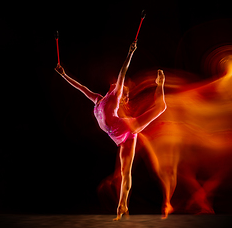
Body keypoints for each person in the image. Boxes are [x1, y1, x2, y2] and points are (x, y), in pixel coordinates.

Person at [55, 41, 167, 220]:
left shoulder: (115, 96)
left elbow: (122, 72)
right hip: (120, 137)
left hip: (128, 127)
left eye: (121, 87)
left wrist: (130, 53)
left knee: (161, 107)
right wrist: (64, 75)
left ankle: (160, 83)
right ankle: (122, 205)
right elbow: (80, 87)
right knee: (125, 172)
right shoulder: (98, 99)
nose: (117, 83)